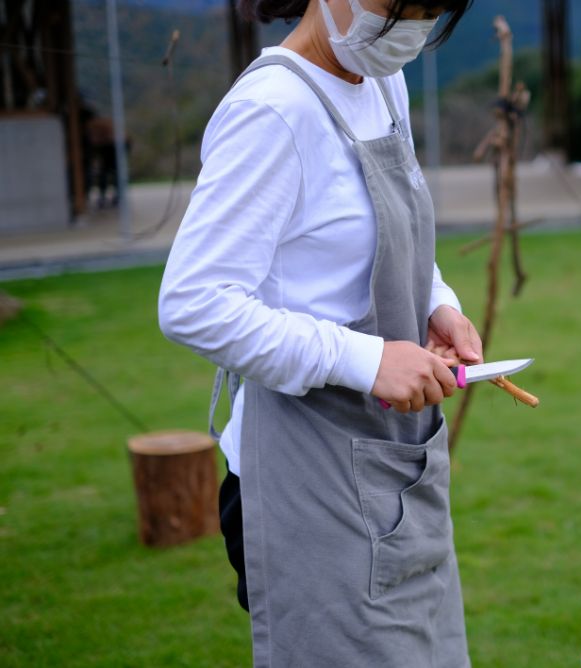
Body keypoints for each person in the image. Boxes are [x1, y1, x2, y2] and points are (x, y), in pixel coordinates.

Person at [157, 1, 480, 665]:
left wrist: (435, 302)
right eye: (396, 5)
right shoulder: (274, 109)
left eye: (429, 10)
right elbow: (194, 302)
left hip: (392, 464)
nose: (411, 26)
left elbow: (368, 233)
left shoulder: (382, 82)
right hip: (305, 484)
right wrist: (367, 360)